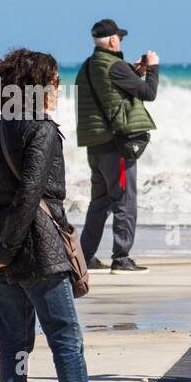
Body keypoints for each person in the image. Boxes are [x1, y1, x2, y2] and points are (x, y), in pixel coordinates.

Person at [0, 47, 137, 382]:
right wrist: (4, 248)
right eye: (55, 82)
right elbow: (30, 194)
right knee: (66, 341)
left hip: (2, 260)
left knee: (14, 346)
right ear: (36, 86)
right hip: (39, 251)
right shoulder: (41, 130)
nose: (59, 90)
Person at [74, 18, 158, 273]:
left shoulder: (87, 66)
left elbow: (111, 89)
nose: (120, 41)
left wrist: (135, 72)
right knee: (124, 199)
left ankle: (85, 256)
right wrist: (153, 69)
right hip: (117, 146)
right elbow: (148, 93)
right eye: (119, 38)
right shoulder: (115, 66)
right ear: (112, 41)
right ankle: (121, 258)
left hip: (95, 145)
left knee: (99, 202)